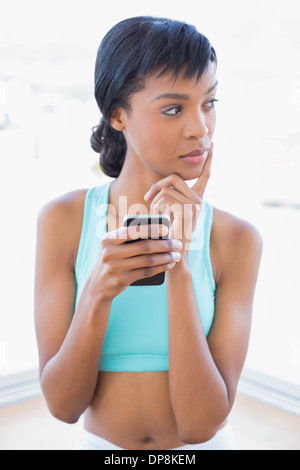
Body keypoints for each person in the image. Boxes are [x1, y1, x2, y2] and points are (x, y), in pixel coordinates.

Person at [34, 16, 262, 450]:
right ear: (118, 114)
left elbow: (200, 427)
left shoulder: (237, 240)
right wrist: (98, 291)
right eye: (174, 108)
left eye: (209, 102)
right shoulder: (64, 220)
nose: (201, 128)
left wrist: (179, 268)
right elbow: (63, 407)